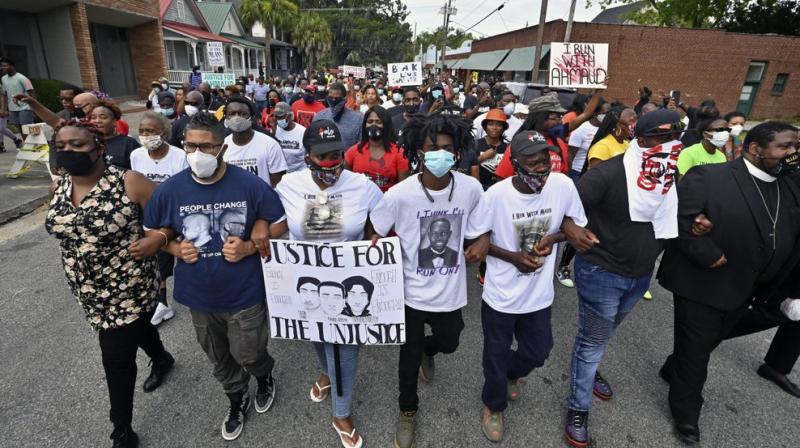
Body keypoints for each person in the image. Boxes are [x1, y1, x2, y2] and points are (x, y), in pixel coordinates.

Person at [657, 121, 800, 445]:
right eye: (785, 147)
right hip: (702, 283)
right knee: (697, 353)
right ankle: (686, 414)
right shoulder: (710, 178)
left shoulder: (789, 185)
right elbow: (677, 216)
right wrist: (705, 251)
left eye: (796, 148)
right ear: (754, 148)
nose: (792, 154)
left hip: (752, 289)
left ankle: (673, 368)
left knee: (705, 342)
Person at [144, 113, 283, 441]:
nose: (197, 153)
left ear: (221, 148)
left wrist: (250, 246)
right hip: (199, 296)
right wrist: (176, 250)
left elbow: (278, 223)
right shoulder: (171, 190)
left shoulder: (249, 184)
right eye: (190, 145)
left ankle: (263, 376)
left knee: (250, 352)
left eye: (205, 146)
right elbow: (153, 231)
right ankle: (236, 397)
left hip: (245, 292)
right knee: (219, 357)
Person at [46, 119, 175, 448]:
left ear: (99, 148)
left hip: (129, 285)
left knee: (116, 357)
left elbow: (173, 215)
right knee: (138, 329)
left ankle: (121, 429)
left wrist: (158, 238)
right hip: (88, 289)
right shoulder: (59, 185)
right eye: (62, 146)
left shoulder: (128, 181)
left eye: (78, 145)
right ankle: (161, 358)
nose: (69, 151)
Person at [561, 109, 684, 448]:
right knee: (592, 342)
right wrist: (571, 229)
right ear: (641, 139)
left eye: (675, 137)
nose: (672, 144)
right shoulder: (608, 174)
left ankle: (589, 369)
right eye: (663, 137)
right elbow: (564, 209)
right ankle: (578, 408)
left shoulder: (669, 177)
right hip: (602, 273)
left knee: (601, 336)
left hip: (640, 276)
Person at [370, 112, 488, 448]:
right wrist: (375, 250)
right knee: (407, 357)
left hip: (451, 293)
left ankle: (429, 351)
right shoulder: (399, 194)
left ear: (457, 151)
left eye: (447, 148)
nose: (440, 154)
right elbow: (374, 230)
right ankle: (407, 411)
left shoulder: (471, 189)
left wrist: (482, 242)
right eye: (432, 147)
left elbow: (481, 228)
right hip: (410, 294)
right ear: (418, 152)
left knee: (450, 342)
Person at [469, 131, 588, 442]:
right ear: (515, 162)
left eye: (545, 159)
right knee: (495, 354)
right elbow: (479, 240)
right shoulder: (495, 195)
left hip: (539, 295)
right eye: (532, 161)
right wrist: (513, 258)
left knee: (539, 352)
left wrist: (554, 238)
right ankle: (493, 405)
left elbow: (571, 223)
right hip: (501, 295)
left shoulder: (562, 185)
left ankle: (510, 374)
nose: (541, 167)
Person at [272, 119, 383, 448]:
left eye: (336, 154)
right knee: (319, 336)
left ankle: (341, 412)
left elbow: (384, 221)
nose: (331, 162)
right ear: (307, 156)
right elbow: (276, 226)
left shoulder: (362, 185)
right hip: (305, 281)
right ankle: (325, 372)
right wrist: (259, 242)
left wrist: (377, 239)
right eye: (322, 156)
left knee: (346, 348)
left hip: (350, 283)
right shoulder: (288, 186)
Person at [130, 111, 188, 326]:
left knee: (173, 255)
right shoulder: (136, 155)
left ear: (163, 133)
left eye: (151, 131)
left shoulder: (180, 156)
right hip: (149, 216)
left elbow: (185, 189)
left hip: (174, 215)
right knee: (153, 258)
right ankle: (160, 302)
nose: (145, 135)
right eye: (142, 131)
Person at [222, 97, 287, 186]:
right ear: (226, 117)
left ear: (251, 117)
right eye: (232, 114)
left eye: (243, 114)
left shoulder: (270, 144)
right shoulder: (220, 145)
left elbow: (277, 181)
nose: (237, 118)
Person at [344, 105, 408, 191]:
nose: (373, 125)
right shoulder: (353, 151)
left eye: (378, 122)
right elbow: (345, 183)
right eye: (370, 122)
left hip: (387, 202)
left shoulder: (399, 153)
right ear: (364, 125)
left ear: (386, 125)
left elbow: (403, 189)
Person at [89, 100, 139, 170]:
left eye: (103, 117)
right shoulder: (87, 142)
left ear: (114, 121)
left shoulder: (129, 143)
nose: (97, 121)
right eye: (93, 118)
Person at [567, 101, 610, 181]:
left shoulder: (607, 129)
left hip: (595, 173)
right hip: (578, 173)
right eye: (605, 113)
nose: (607, 116)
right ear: (595, 113)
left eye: (609, 114)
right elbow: (570, 156)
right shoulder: (581, 129)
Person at [313, 83, 363, 149]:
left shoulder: (358, 119)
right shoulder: (319, 117)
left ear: (345, 99)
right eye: (330, 98)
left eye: (337, 98)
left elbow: (361, 146)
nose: (333, 101)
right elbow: (314, 142)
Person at [475, 108, 509, 190]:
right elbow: (467, 166)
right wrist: (483, 157)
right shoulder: (475, 144)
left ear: (503, 128)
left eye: (499, 125)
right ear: (485, 127)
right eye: (490, 124)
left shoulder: (508, 147)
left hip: (500, 189)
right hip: (480, 188)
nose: (494, 128)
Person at [1, 57, 36, 135]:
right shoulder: (3, 79)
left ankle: (34, 144)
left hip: (25, 108)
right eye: (1, 66)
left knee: (27, 129)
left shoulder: (22, 78)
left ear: (12, 66)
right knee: (20, 129)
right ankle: (27, 145)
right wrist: (3, 109)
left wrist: (34, 108)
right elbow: (4, 95)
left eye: (5, 65)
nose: (2, 67)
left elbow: (32, 93)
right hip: (12, 109)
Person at [272, 102, 307, 172]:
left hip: (299, 173)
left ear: (289, 116)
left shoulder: (303, 132)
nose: (277, 119)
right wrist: (273, 134)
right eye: (275, 117)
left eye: (280, 117)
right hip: (281, 173)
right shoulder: (274, 129)